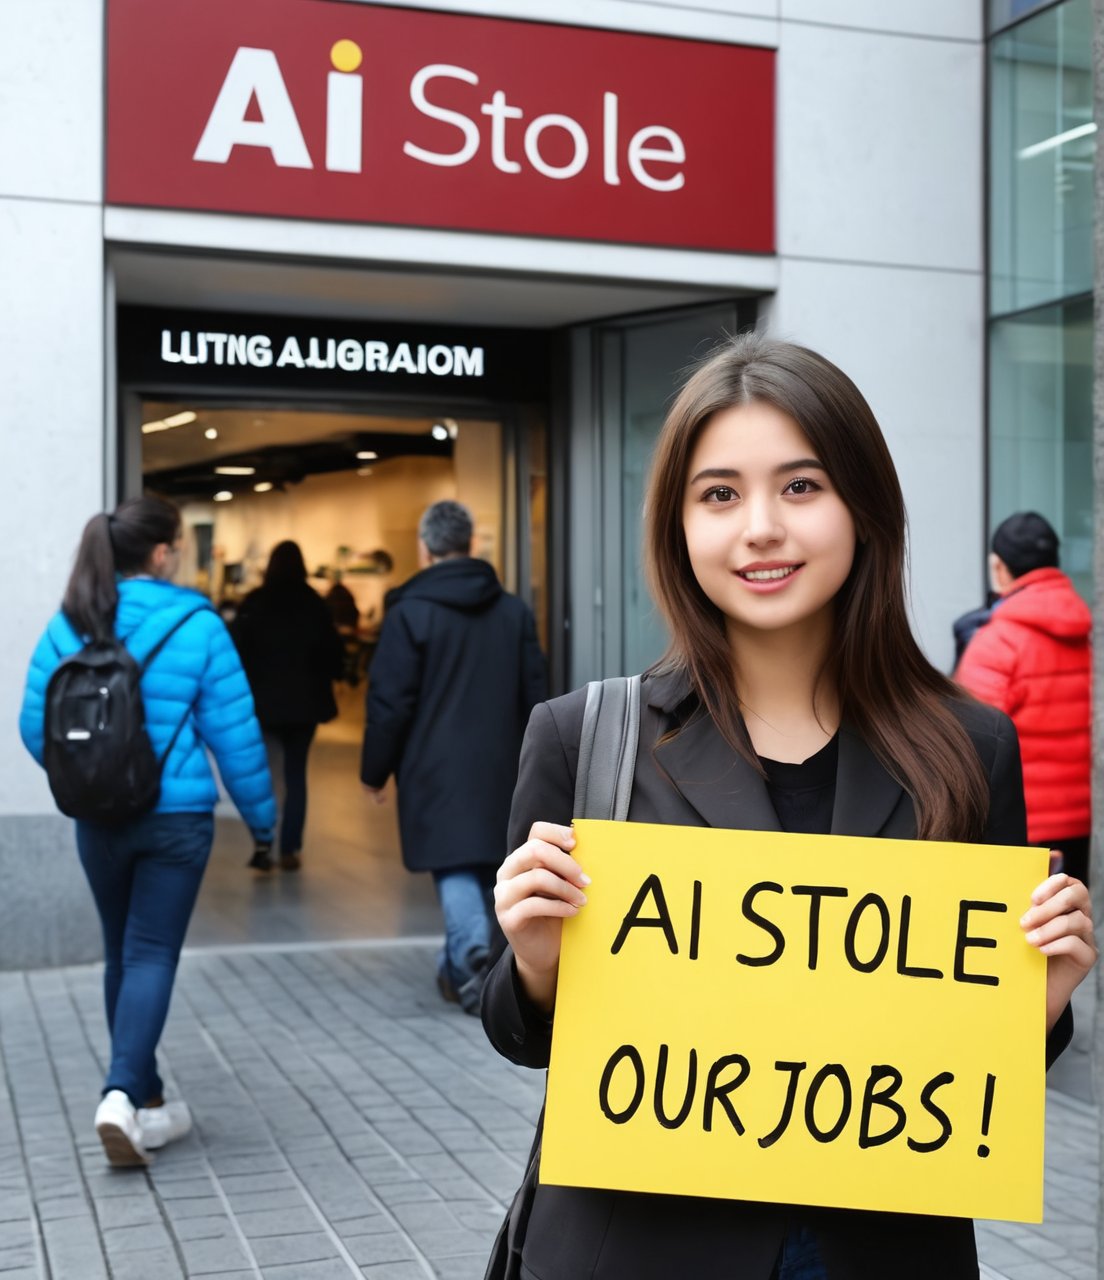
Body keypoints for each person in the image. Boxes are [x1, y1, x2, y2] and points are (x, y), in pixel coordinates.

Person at [483, 336, 1095, 1280]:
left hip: (884, 1248)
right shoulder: (584, 735)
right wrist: (534, 963)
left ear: (864, 509)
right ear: (678, 527)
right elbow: (521, 1031)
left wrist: (1040, 1003)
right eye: (719, 494)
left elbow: (972, 1052)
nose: (761, 527)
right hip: (641, 1247)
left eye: (801, 486)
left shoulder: (970, 747)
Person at [19, 496, 275, 1166]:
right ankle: (122, 1093)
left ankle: (148, 1099)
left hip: (100, 818)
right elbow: (234, 734)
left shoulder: (69, 622)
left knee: (121, 954)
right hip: (177, 818)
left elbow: (32, 726)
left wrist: (88, 775)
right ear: (161, 552)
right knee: (152, 955)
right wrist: (264, 822)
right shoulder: (198, 622)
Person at [361, 500, 546, 1012]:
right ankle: (465, 968)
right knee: (493, 861)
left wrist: (375, 771)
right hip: (504, 762)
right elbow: (538, 693)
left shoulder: (409, 613)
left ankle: (470, 956)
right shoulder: (512, 611)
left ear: (425, 548)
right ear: (470, 545)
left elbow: (390, 702)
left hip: (433, 766)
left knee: (453, 865)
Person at [955, 512, 1092, 884]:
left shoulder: (996, 643)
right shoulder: (1087, 633)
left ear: (999, 567)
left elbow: (967, 746)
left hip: (1023, 828)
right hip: (1083, 824)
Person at [232, 540, 344, 871]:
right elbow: (333, 655)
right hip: (304, 705)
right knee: (296, 776)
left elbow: (237, 652)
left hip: (263, 703)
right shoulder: (314, 604)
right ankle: (290, 848)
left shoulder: (255, 602)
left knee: (265, 775)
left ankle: (263, 843)